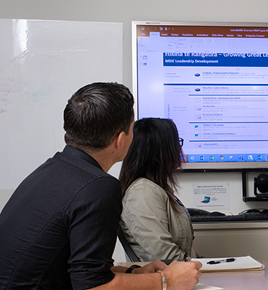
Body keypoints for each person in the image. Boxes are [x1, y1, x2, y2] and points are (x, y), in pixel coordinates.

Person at [0, 83, 201, 290]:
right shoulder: (98, 186)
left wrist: (135, 273)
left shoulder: (52, 169)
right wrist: (166, 282)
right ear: (120, 140)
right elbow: (92, 286)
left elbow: (81, 270)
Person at [120, 118, 193, 262]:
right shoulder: (143, 192)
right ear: (161, 151)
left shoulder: (155, 188)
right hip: (166, 280)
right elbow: (163, 256)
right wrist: (198, 268)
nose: (179, 149)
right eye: (177, 143)